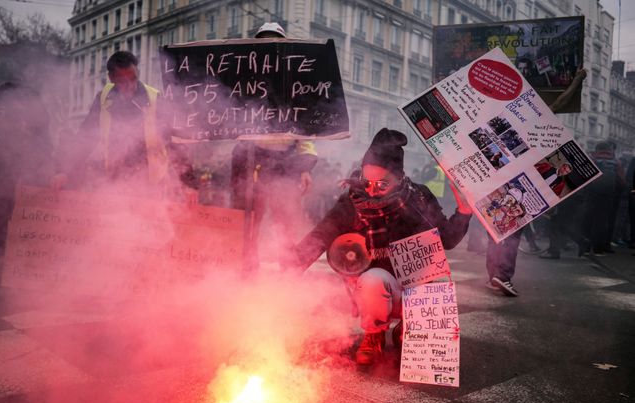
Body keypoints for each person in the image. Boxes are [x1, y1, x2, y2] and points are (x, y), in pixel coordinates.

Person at [290, 128, 472, 366]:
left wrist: (464, 211)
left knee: (431, 287)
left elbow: (447, 239)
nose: (372, 190)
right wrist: (290, 265)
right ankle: (374, 334)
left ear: (399, 178)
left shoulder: (418, 197)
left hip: (412, 284)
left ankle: (409, 328)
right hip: (372, 288)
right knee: (375, 279)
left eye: (382, 184)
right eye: (367, 182)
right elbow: (322, 234)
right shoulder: (353, 200)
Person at [486, 68, 587, 296]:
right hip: (516, 183)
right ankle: (502, 276)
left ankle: (492, 275)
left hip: (494, 181)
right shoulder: (531, 121)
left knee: (496, 228)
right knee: (512, 230)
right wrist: (578, 79)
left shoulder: (496, 120)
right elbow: (560, 102)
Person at [230, 22, 317, 269]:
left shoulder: (297, 82)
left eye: (274, 41)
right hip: (250, 160)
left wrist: (305, 167)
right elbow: (226, 118)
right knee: (248, 220)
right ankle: (246, 268)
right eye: (264, 41)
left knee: (286, 221)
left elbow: (306, 131)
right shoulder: (242, 79)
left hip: (286, 164)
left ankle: (288, 271)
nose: (269, 47)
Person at [0, 82, 55, 283]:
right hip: (12, 171)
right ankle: (12, 265)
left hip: (19, 172)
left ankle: (10, 266)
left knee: (11, 217)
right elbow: (46, 142)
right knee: (16, 216)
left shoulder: (27, 110)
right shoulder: (0, 110)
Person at [57, 51, 169, 190]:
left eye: (133, 78)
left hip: (151, 182)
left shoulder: (155, 98)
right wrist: (64, 171)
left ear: (138, 72)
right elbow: (85, 138)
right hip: (113, 181)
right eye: (122, 81)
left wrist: (189, 184)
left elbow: (174, 142)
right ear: (111, 78)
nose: (130, 86)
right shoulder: (103, 98)